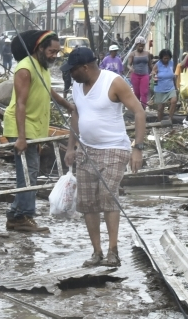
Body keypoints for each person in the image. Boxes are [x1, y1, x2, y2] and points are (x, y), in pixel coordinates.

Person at [63, 47, 147, 268]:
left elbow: (139, 111)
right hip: (87, 149)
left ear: (85, 67)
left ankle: (113, 251)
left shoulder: (114, 82)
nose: (70, 74)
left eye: (72, 70)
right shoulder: (77, 86)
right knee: (88, 202)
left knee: (107, 197)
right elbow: (76, 114)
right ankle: (97, 252)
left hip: (113, 148)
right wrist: (71, 147)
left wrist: (137, 148)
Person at [3, 30, 75, 233]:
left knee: (31, 172)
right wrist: (22, 137)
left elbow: (49, 91)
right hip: (22, 126)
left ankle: (19, 214)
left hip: (35, 127)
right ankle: (20, 216)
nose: (54, 56)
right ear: (40, 48)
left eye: (56, 52)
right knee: (28, 172)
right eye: (51, 51)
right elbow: (20, 104)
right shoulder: (25, 69)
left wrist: (69, 106)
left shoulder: (42, 68)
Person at [151, 49, 178, 123]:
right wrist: (154, 76)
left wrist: (176, 86)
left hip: (170, 87)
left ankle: (170, 119)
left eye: (168, 58)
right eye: (164, 58)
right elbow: (153, 73)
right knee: (161, 107)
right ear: (161, 58)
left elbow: (174, 75)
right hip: (160, 88)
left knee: (174, 101)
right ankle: (160, 121)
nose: (166, 60)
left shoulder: (172, 63)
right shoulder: (157, 64)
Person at [125, 37, 152, 109]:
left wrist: (153, 71)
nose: (141, 47)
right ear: (136, 45)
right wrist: (131, 68)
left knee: (144, 92)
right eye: (139, 45)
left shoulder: (147, 54)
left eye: (142, 45)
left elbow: (150, 64)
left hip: (145, 75)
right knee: (137, 93)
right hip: (135, 75)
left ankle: (143, 108)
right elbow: (128, 64)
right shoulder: (132, 54)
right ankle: (137, 108)